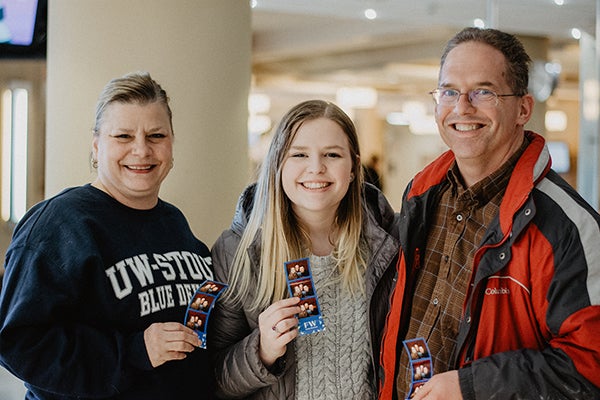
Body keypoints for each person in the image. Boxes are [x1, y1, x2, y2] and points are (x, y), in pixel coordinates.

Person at [379, 27, 600, 400]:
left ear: (523, 109)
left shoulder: (567, 226)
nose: (462, 107)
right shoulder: (422, 194)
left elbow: (589, 366)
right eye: (449, 91)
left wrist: (472, 387)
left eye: (483, 91)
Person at [0, 72, 215, 399]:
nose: (141, 150)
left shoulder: (173, 222)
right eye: (124, 136)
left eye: (156, 135)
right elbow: (19, 342)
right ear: (97, 145)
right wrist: (133, 351)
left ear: (171, 143)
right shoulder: (60, 223)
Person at [210, 99, 400, 399]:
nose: (316, 168)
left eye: (332, 154)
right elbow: (212, 379)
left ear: (353, 167)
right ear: (278, 165)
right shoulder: (238, 251)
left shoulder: (387, 244)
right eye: (299, 154)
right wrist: (261, 351)